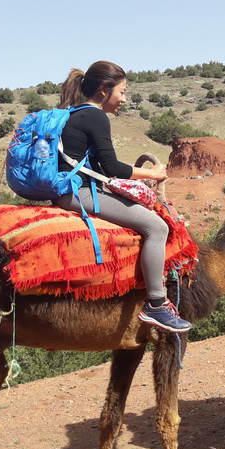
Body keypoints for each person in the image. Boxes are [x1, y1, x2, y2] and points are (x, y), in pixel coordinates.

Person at [55, 60, 191, 332]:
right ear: (104, 90)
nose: (125, 99)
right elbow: (112, 168)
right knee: (157, 226)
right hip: (78, 194)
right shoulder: (95, 116)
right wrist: (152, 174)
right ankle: (156, 304)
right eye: (122, 92)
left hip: (72, 190)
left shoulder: (75, 113)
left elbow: (101, 168)